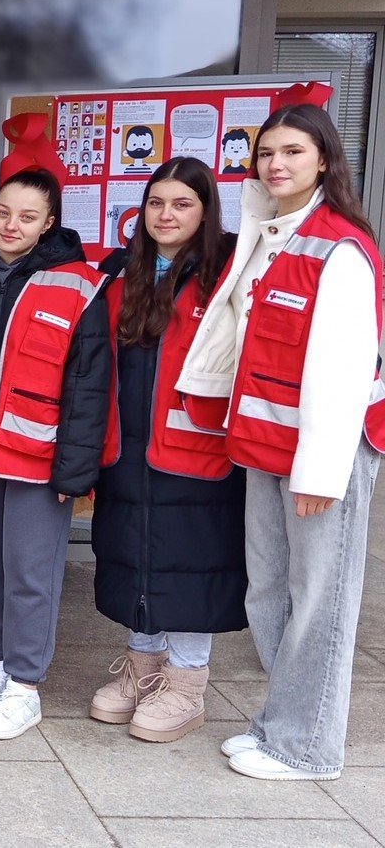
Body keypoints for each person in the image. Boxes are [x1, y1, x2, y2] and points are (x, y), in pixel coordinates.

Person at [177, 100, 385, 781]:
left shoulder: (339, 246)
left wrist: (321, 473)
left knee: (320, 600)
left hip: (321, 454)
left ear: (323, 160)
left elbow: (343, 369)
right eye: (267, 152)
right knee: (269, 592)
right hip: (265, 442)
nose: (276, 163)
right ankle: (279, 722)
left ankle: (308, 746)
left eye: (293, 151)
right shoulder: (267, 232)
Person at [0, 166, 112, 740]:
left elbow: (90, 386)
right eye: (3, 212)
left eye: (27, 216)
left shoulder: (79, 285)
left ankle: (25, 685)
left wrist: (76, 470)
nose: (10, 225)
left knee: (30, 572)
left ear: (48, 224)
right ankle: (2, 659)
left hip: (40, 457)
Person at [88, 157, 244, 743]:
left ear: (206, 211)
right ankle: (144, 667)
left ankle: (186, 684)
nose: (166, 215)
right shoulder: (120, 274)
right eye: (156, 202)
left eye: (182, 204)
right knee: (135, 553)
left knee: (190, 562)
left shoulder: (227, 273)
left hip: (197, 447)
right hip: (128, 445)